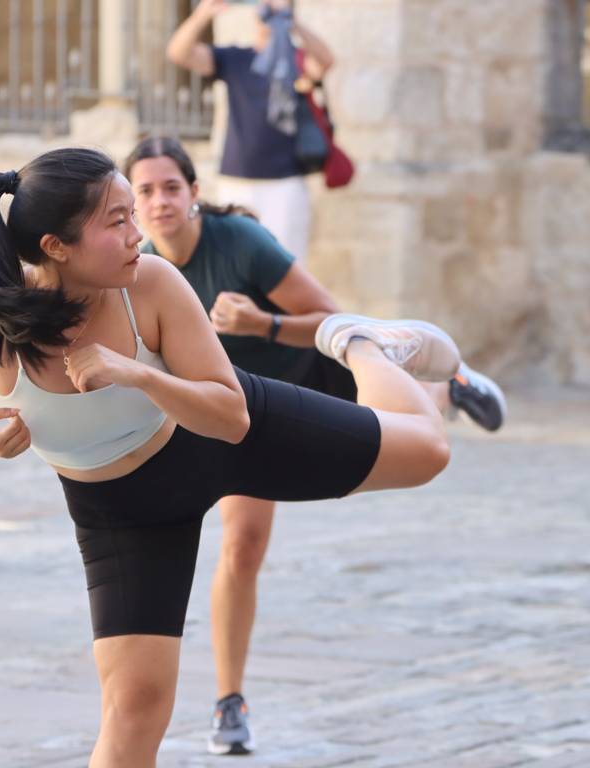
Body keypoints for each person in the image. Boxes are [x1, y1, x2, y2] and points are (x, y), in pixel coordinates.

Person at [0, 146, 463, 768]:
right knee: (134, 709)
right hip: (121, 514)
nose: (138, 234)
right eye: (117, 221)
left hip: (217, 435)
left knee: (428, 452)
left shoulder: (152, 283)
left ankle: (364, 344)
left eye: (133, 215)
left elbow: (232, 417)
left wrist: (138, 373)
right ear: (57, 247)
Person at [124, 135, 507, 755]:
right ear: (132, 205)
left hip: (314, 375)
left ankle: (451, 382)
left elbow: (330, 317)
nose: (160, 201)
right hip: (244, 413)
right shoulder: (137, 271)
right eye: (145, 191)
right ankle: (229, 702)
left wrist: (263, 323)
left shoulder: (240, 242)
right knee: (243, 547)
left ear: (194, 191)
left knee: (412, 427)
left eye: (171, 187)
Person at [167, 0, 333, 262]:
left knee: (287, 262)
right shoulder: (236, 58)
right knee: (235, 262)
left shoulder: (297, 60)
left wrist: (292, 23)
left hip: (286, 183)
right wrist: (203, 14)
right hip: (237, 181)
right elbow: (179, 53)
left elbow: (326, 61)